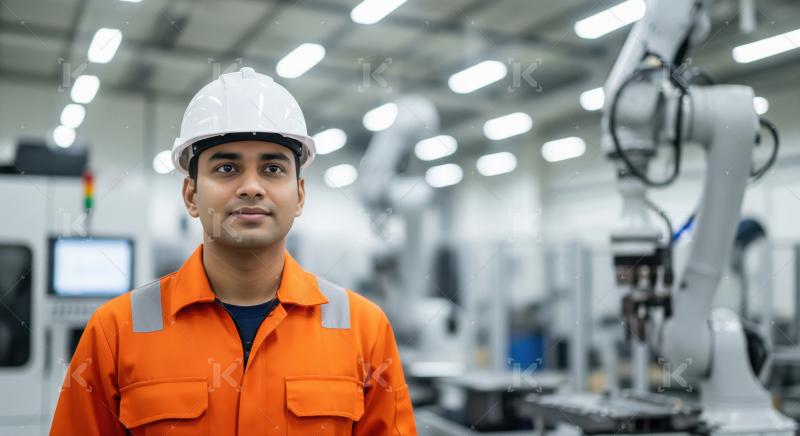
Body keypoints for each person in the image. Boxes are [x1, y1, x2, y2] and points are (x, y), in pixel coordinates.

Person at [50, 67, 417, 435]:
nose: (252, 187)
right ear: (191, 196)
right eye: (227, 167)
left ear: (300, 195)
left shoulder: (364, 330)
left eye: (273, 168)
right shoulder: (115, 333)